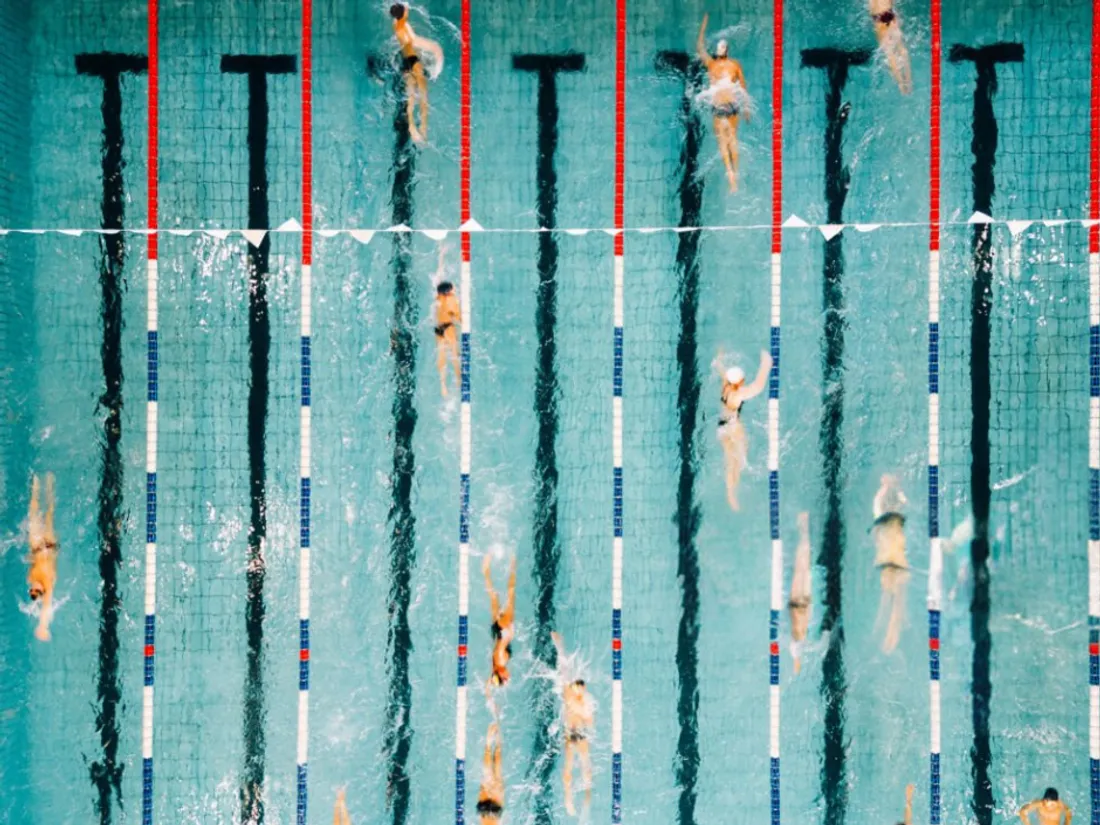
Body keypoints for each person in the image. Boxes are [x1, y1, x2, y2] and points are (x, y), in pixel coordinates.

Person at [712, 349, 772, 511]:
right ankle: (732, 494)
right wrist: (766, 364)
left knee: (730, 461)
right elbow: (758, 387)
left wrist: (719, 356)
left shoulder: (726, 386)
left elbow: (720, 367)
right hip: (733, 428)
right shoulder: (738, 394)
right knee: (738, 462)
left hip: (722, 426)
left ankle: (730, 492)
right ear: (739, 382)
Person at [696, 13, 750, 192]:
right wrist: (747, 109)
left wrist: (703, 27)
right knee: (733, 139)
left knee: (722, 143)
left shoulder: (711, 65)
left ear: (717, 53)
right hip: (733, 106)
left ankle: (730, 174)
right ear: (727, 52)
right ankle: (737, 171)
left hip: (718, 107)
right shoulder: (735, 65)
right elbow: (742, 88)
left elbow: (700, 48)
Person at [551, 631, 594, 816]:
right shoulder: (568, 694)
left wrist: (587, 716)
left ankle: (585, 801)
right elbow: (564, 670)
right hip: (570, 733)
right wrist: (560, 648)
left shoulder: (585, 701)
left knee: (586, 770)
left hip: (581, 734)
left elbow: (590, 722)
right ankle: (568, 800)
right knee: (568, 769)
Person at [390, 3, 444, 143]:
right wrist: (434, 48)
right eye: (406, 10)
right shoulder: (403, 29)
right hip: (414, 63)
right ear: (403, 14)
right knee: (422, 98)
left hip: (406, 64)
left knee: (411, 98)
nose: (408, 10)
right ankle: (422, 129)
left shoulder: (397, 24)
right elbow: (415, 42)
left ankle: (413, 129)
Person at [872, 474, 909, 653]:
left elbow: (904, 503)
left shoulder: (892, 513)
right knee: (889, 601)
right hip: (890, 562)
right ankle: (884, 644)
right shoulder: (883, 506)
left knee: (895, 602)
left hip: (895, 561)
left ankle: (888, 643)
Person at [26, 473, 58, 641]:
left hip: (37, 547)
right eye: (37, 591)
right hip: (50, 546)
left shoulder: (31, 577)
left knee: (32, 512)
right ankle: (50, 485)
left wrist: (30, 556)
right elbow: (47, 607)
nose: (34, 587)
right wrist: (42, 626)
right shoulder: (47, 584)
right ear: (42, 591)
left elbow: (31, 562)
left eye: (31, 590)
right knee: (49, 514)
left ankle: (35, 488)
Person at [483, 554, 517, 687]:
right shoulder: (495, 666)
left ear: (500, 674)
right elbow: (488, 684)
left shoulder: (501, 661)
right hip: (497, 630)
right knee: (494, 597)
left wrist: (508, 632)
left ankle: (513, 562)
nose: (508, 677)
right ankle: (485, 570)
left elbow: (500, 647)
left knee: (510, 594)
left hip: (503, 630)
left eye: (506, 678)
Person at [433, 246, 462, 398]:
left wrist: (441, 255)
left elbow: (439, 273)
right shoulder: (451, 300)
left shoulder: (438, 298)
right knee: (455, 355)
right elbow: (458, 317)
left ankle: (443, 386)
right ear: (448, 291)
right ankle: (458, 380)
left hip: (438, 329)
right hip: (448, 329)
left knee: (442, 358)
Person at [869, 0, 912, 95]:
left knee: (889, 53)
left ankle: (901, 84)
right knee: (903, 50)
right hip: (890, 15)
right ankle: (909, 81)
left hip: (879, 19)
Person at [789, 512, 812, 674]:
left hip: (801, 603)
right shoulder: (797, 646)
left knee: (803, 567)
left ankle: (804, 530)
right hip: (798, 604)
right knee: (802, 567)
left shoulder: (801, 646)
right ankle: (804, 530)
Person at [476, 722, 505, 823]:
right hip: (484, 812)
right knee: (487, 776)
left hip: (494, 814)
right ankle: (490, 743)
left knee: (497, 774)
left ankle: (497, 742)